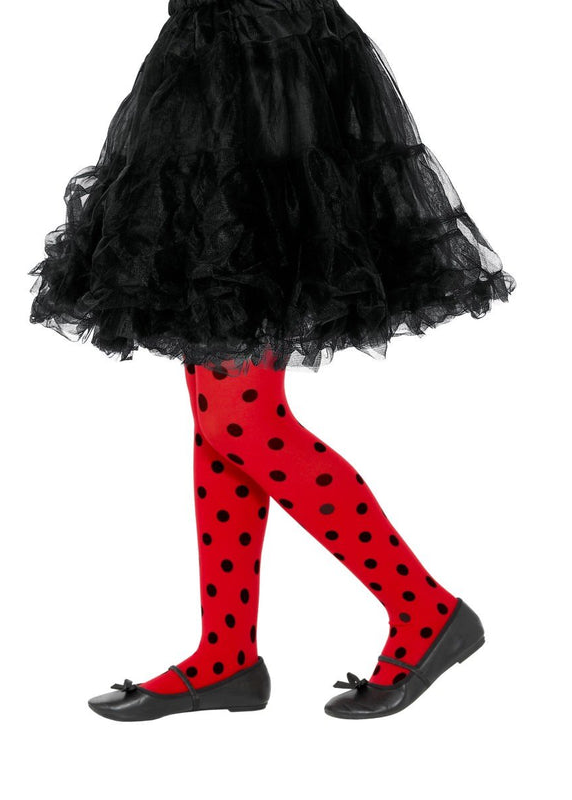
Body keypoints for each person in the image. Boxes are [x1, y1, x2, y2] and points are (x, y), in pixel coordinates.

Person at [27, 0, 516, 721]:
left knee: (239, 419)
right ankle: (226, 654)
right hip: (212, 62)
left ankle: (424, 611)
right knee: (221, 415)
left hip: (266, 67)